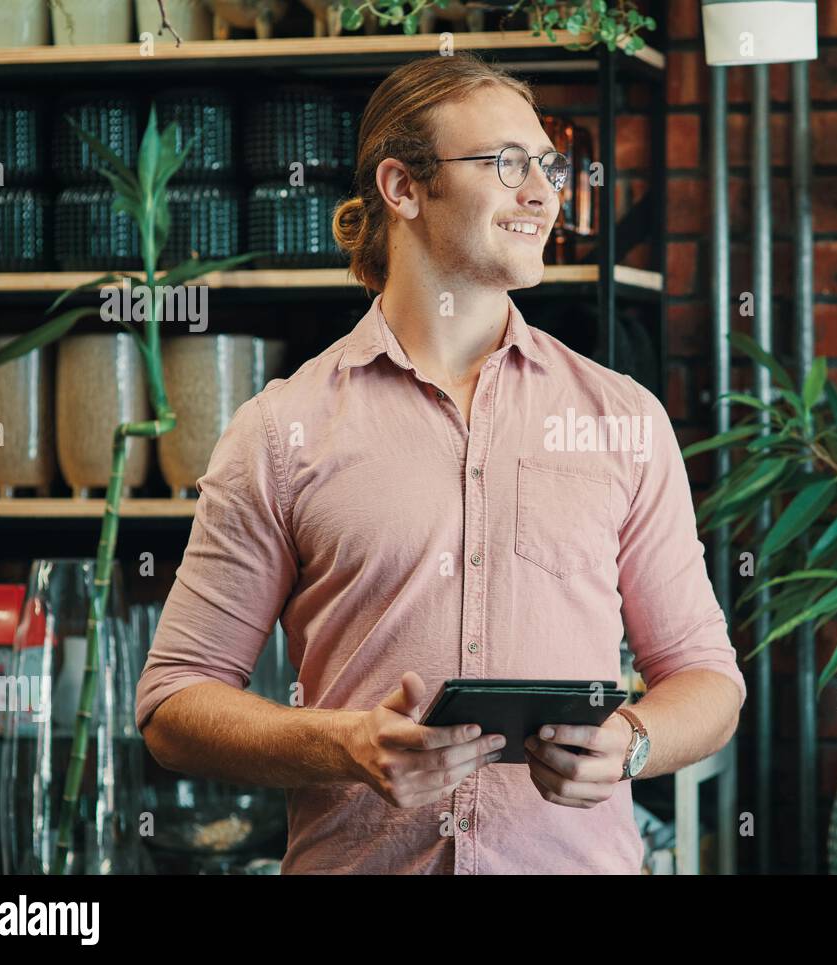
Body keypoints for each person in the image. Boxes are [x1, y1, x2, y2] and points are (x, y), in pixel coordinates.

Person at [136, 52, 746, 874]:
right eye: (507, 163)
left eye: (548, 167)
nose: (543, 193)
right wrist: (343, 743)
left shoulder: (622, 417)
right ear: (403, 187)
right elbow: (174, 706)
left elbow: (707, 678)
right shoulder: (280, 429)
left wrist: (631, 742)